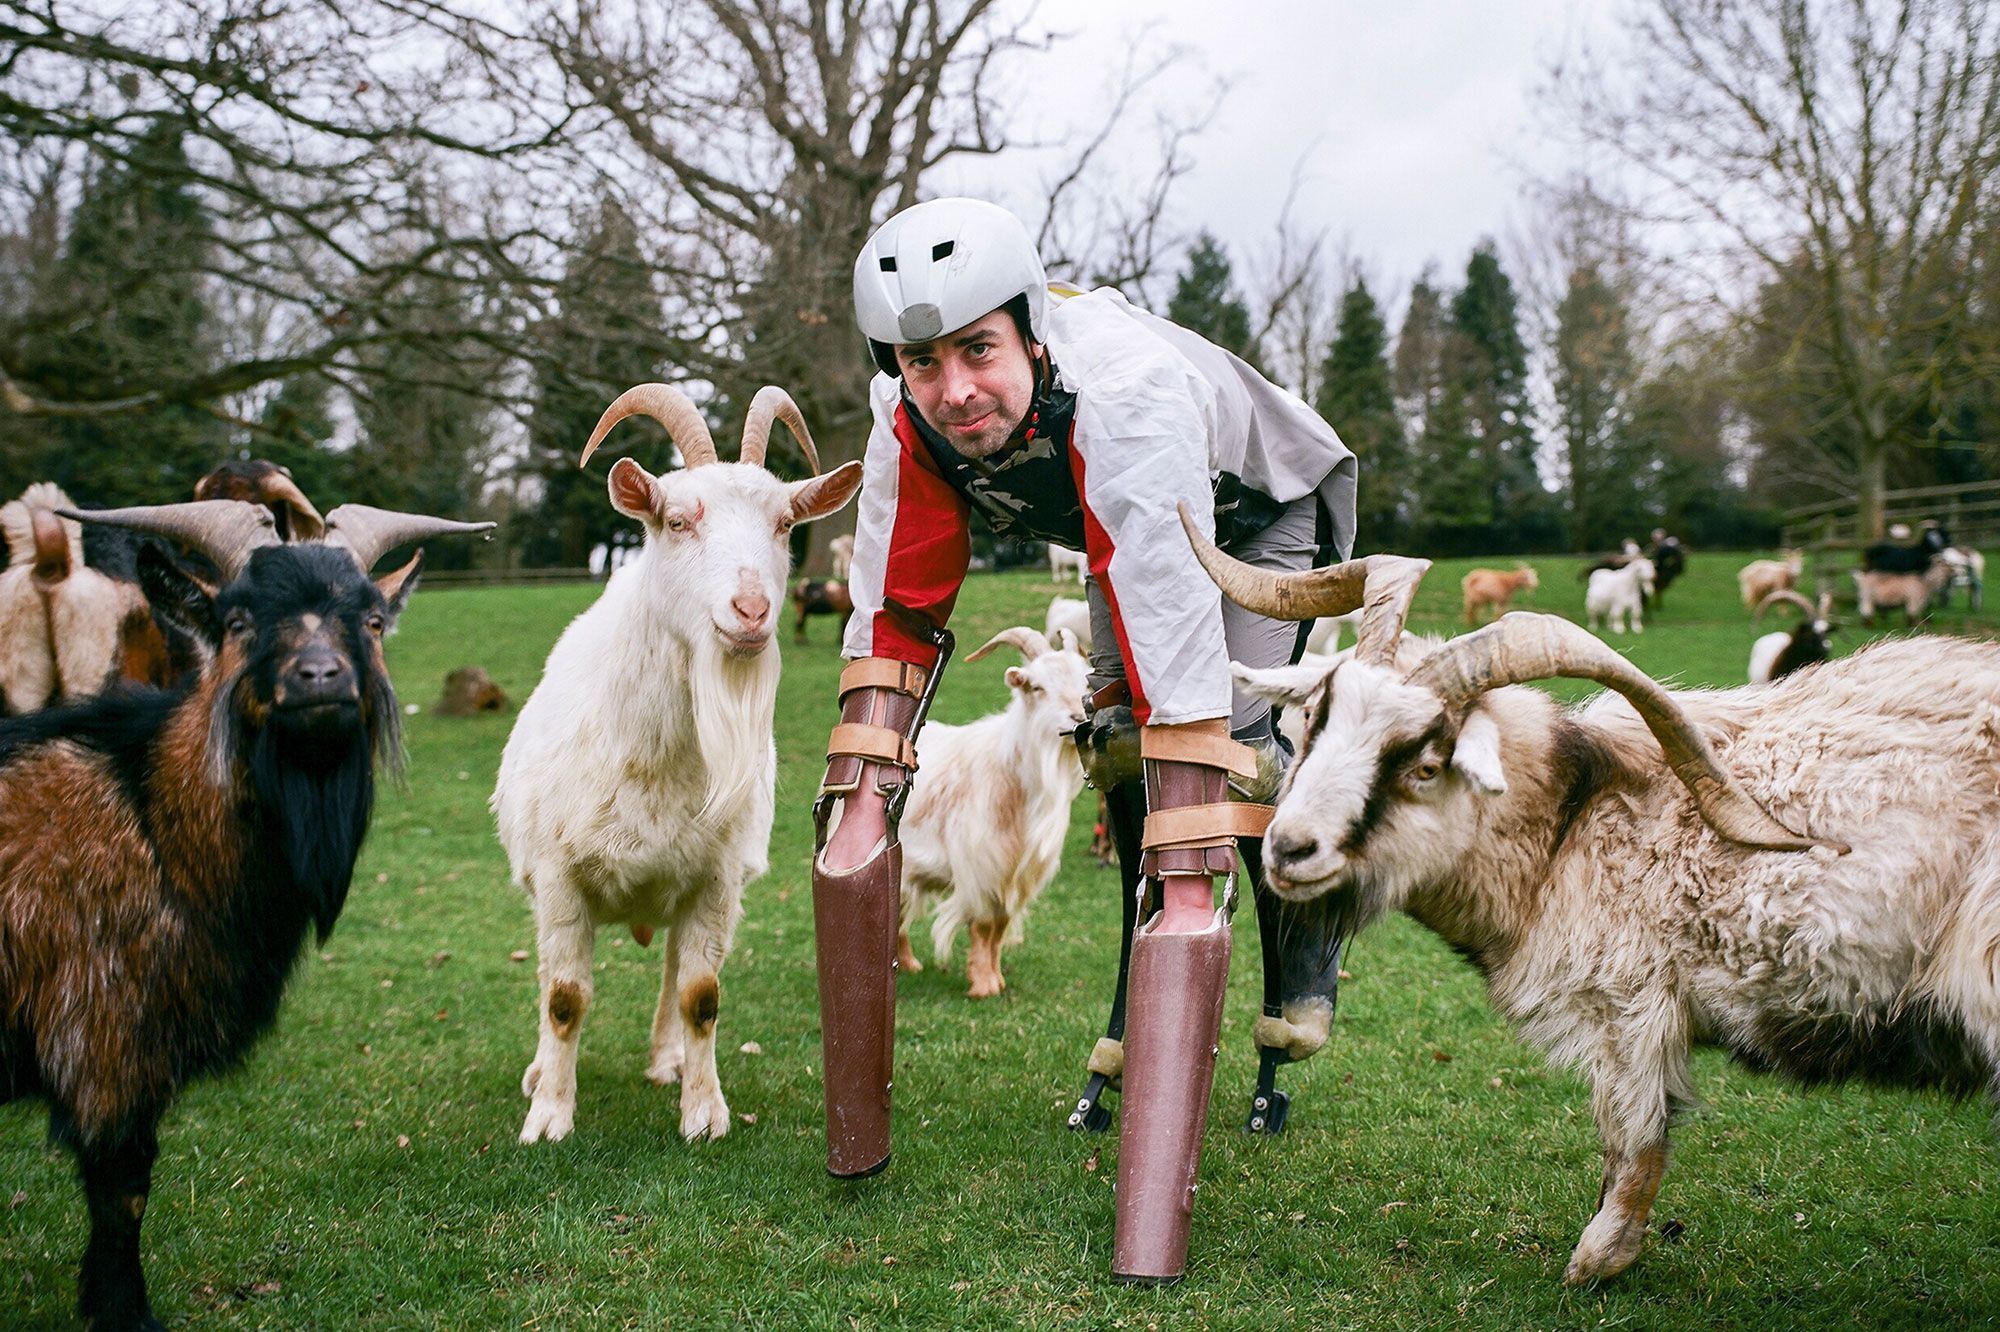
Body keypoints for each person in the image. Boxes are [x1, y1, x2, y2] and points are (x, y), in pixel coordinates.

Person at [810, 197, 1357, 1282]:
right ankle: (1133, 1006)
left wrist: (1187, 792)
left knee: (1209, 765)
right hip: (1124, 519)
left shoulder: (1127, 391)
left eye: (978, 350)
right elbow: (892, 606)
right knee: (1115, 752)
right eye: (924, 361)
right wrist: (865, 781)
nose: (954, 387)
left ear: (1029, 326)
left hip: (1258, 519)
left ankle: (1304, 957)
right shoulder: (902, 415)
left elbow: (1173, 623)